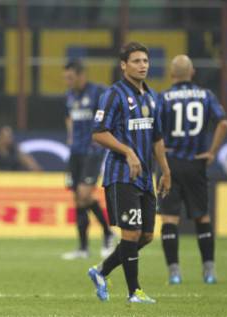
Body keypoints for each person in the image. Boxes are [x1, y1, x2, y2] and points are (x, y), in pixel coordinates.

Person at [87, 42, 171, 303]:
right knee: (131, 233)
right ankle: (134, 292)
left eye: (145, 60)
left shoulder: (151, 96)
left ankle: (101, 270)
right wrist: (128, 151)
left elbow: (157, 138)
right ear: (123, 65)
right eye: (136, 61)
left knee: (145, 236)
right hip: (122, 175)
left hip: (146, 176)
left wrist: (166, 171)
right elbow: (99, 133)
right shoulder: (113, 95)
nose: (142, 65)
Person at [158, 55, 227, 284]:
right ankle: (209, 271)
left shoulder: (163, 98)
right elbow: (224, 123)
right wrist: (212, 151)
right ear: (193, 72)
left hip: (170, 163)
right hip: (197, 163)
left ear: (172, 75)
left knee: (169, 218)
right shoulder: (206, 95)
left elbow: (153, 130)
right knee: (202, 217)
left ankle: (174, 273)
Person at [61, 60, 115, 260]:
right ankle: (83, 248)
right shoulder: (69, 96)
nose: (67, 81)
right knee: (78, 198)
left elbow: (108, 118)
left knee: (84, 193)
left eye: (70, 77)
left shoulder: (97, 93)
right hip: (75, 151)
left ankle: (108, 234)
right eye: (66, 78)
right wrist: (70, 136)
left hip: (93, 151)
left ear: (81, 75)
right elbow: (68, 116)